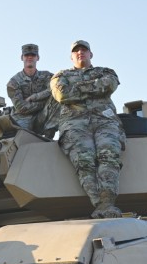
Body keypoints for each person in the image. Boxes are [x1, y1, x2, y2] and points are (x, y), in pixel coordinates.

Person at [50, 40, 125, 219]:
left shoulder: (105, 72)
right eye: (76, 51)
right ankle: (99, 204)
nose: (80, 53)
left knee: (108, 154)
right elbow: (62, 94)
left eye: (84, 50)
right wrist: (95, 87)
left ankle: (108, 201)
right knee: (85, 161)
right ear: (71, 56)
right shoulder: (60, 75)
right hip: (74, 123)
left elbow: (109, 84)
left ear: (91, 54)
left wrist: (76, 90)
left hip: (104, 121)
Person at [6, 43, 59, 138]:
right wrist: (44, 103)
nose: (29, 57)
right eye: (26, 55)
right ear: (22, 57)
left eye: (33, 55)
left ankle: (48, 139)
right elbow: (21, 108)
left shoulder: (47, 76)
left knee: (57, 98)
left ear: (38, 57)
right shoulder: (14, 82)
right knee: (20, 141)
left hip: (41, 118)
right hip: (22, 119)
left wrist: (35, 97)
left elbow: (57, 89)